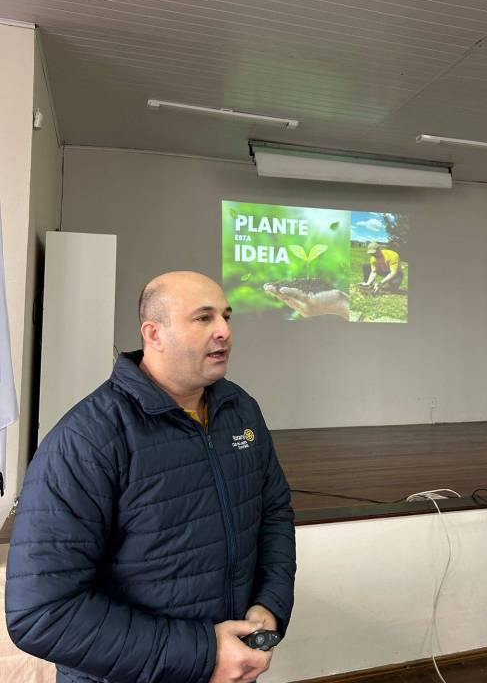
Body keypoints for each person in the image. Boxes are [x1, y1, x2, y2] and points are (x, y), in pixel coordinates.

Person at [5, 271, 296, 683]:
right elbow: (42, 614)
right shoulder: (86, 440)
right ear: (153, 334)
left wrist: (270, 603)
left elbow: (274, 512)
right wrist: (204, 654)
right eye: (204, 318)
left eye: (226, 316)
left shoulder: (240, 410)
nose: (224, 332)